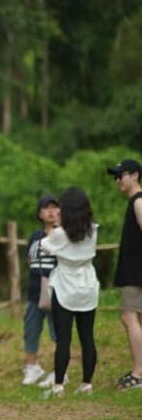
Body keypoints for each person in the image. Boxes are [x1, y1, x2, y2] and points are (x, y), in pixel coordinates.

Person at [40, 187, 99, 398]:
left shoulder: (59, 234)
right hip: (88, 285)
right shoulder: (93, 230)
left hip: (65, 285)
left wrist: (55, 225)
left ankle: (58, 386)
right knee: (87, 337)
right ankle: (87, 383)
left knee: (63, 338)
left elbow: (44, 245)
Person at [107, 159, 142, 391]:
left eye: (122, 175)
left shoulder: (139, 201)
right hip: (134, 269)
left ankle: (139, 373)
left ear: (135, 175)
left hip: (136, 271)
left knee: (129, 317)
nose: (118, 180)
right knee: (135, 318)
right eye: (116, 176)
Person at [21, 195, 60, 386]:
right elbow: (29, 260)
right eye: (47, 208)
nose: (51, 211)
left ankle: (60, 370)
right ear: (40, 213)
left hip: (58, 290)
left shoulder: (63, 234)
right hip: (35, 290)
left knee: (58, 332)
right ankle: (32, 367)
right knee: (31, 329)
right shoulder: (35, 237)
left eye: (55, 207)